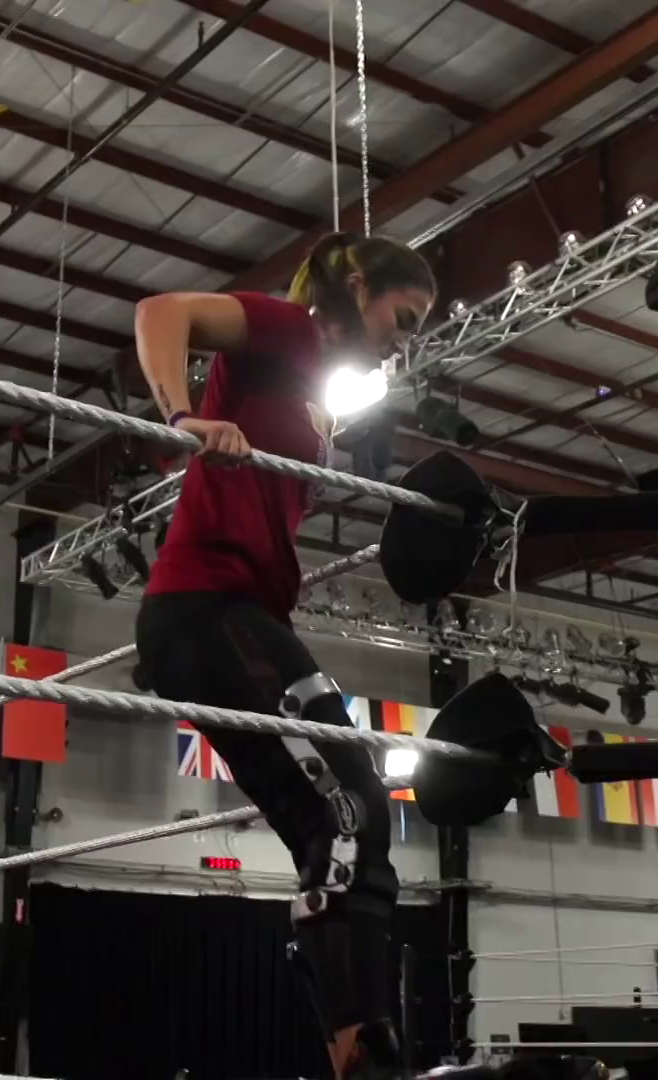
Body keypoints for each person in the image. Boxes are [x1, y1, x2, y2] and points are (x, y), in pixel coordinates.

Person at [133, 232, 436, 1080]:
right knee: (348, 808)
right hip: (206, 609)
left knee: (349, 814)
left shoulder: (312, 392)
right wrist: (184, 418)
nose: (403, 341)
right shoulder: (287, 328)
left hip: (241, 616)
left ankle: (362, 1048)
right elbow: (162, 312)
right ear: (357, 283)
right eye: (403, 317)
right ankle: (362, 1054)